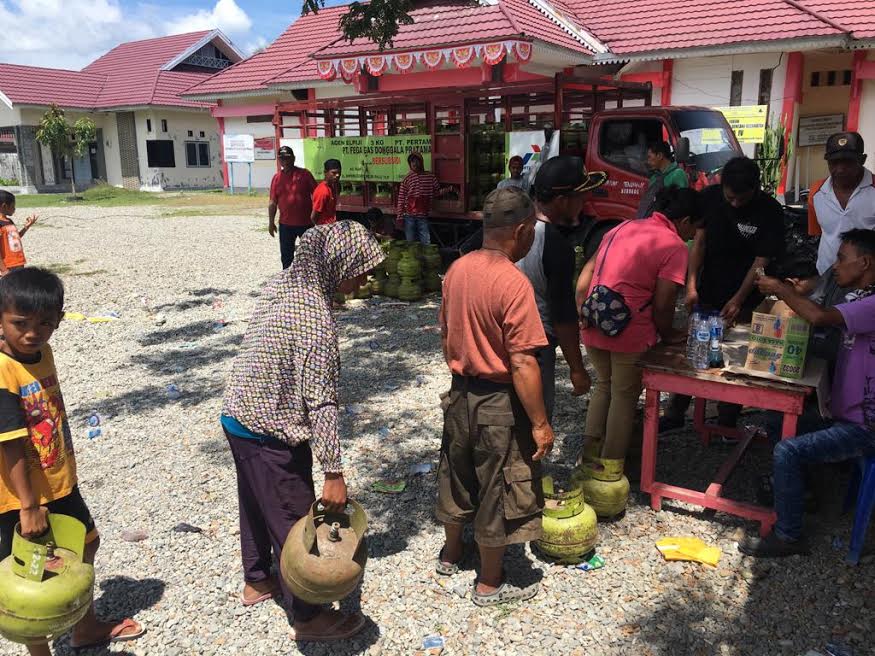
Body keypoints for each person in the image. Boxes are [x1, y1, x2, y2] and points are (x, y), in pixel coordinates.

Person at [221, 222, 382, 641]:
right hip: (269, 429)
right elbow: (321, 402)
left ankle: (258, 580)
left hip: (238, 417)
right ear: (338, 263)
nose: (363, 280)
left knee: (256, 502)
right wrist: (333, 472)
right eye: (360, 270)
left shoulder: (284, 284)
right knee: (295, 521)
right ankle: (308, 617)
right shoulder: (314, 316)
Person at [0, 268, 144, 655]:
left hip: (58, 481)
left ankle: (85, 627)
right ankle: (39, 651)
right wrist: (29, 505)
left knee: (87, 545)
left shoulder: (41, 352)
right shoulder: (3, 371)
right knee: (30, 575)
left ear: (59, 321)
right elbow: (9, 445)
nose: (32, 333)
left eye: (44, 323)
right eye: (20, 323)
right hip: (21, 496)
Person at [436, 188, 552, 607]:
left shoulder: (457, 270)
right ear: (521, 230)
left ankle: (451, 554)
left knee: (456, 472)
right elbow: (522, 362)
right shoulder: (513, 282)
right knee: (498, 484)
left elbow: (446, 335)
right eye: (532, 231)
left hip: (459, 394)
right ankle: (490, 581)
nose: (532, 238)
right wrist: (540, 423)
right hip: (497, 401)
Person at [740, 228, 875, 557]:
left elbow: (818, 316)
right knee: (777, 418)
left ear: (865, 263)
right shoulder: (858, 298)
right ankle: (801, 492)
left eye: (842, 259)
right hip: (845, 414)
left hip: (865, 427)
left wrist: (780, 289)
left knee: (787, 451)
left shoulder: (871, 304)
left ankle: (789, 535)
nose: (835, 266)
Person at [576, 187, 702, 471]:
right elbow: (664, 303)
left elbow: (586, 275)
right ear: (684, 221)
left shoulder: (622, 227)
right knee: (624, 395)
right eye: (693, 229)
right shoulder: (673, 245)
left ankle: (588, 459)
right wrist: (669, 335)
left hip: (595, 321)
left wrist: (581, 309)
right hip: (630, 331)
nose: (692, 236)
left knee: (604, 386)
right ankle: (608, 470)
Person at [661, 156, 784, 432]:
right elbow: (699, 243)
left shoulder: (770, 211)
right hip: (709, 288)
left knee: (735, 360)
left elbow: (761, 261)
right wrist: (691, 285)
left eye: (742, 199)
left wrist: (739, 299)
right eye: (730, 197)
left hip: (747, 294)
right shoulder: (710, 198)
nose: (735, 204)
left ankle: (727, 420)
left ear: (755, 189)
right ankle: (675, 413)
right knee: (697, 351)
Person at [517, 156, 601, 421]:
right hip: (535, 347)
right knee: (536, 421)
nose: (585, 202)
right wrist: (577, 368)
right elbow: (562, 315)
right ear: (563, 201)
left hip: (499, 338)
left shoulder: (509, 227)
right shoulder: (554, 244)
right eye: (581, 196)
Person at [808, 132, 875, 276]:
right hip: (827, 274)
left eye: (848, 162)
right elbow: (818, 233)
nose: (840, 169)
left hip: (867, 278)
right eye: (834, 162)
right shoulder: (816, 192)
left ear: (862, 160)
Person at [268, 146, 317, 269]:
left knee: (311, 255)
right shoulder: (276, 178)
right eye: (282, 159)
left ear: (293, 158)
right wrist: (271, 222)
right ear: (279, 160)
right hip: (285, 225)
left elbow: (317, 195)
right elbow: (272, 202)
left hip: (305, 223)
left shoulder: (305, 174)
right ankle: (288, 279)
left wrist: (316, 216)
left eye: (287, 158)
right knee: (286, 257)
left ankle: (310, 278)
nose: (285, 161)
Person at [396, 152, 444, 245]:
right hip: (409, 216)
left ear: (421, 162)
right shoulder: (407, 178)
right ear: (409, 164)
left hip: (423, 216)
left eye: (417, 161)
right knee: (411, 242)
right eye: (412, 161)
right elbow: (401, 199)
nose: (414, 164)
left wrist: (448, 190)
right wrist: (399, 217)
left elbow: (436, 191)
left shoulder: (430, 176)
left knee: (426, 242)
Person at [636, 141, 689, 218]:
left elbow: (682, 205)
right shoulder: (654, 177)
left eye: (649, 157)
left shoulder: (678, 174)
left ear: (660, 156)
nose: (648, 162)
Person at [0, 190, 37, 275]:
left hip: (18, 262)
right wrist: (4, 270)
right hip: (7, 265)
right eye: (13, 206)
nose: (14, 209)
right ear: (4, 206)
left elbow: (14, 238)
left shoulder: (9, 221)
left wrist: (26, 227)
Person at [310, 159, 341, 226]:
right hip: (324, 228)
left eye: (339, 172)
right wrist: (321, 229)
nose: (337, 175)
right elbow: (313, 217)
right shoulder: (322, 191)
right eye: (334, 173)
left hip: (332, 227)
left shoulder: (333, 186)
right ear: (325, 172)